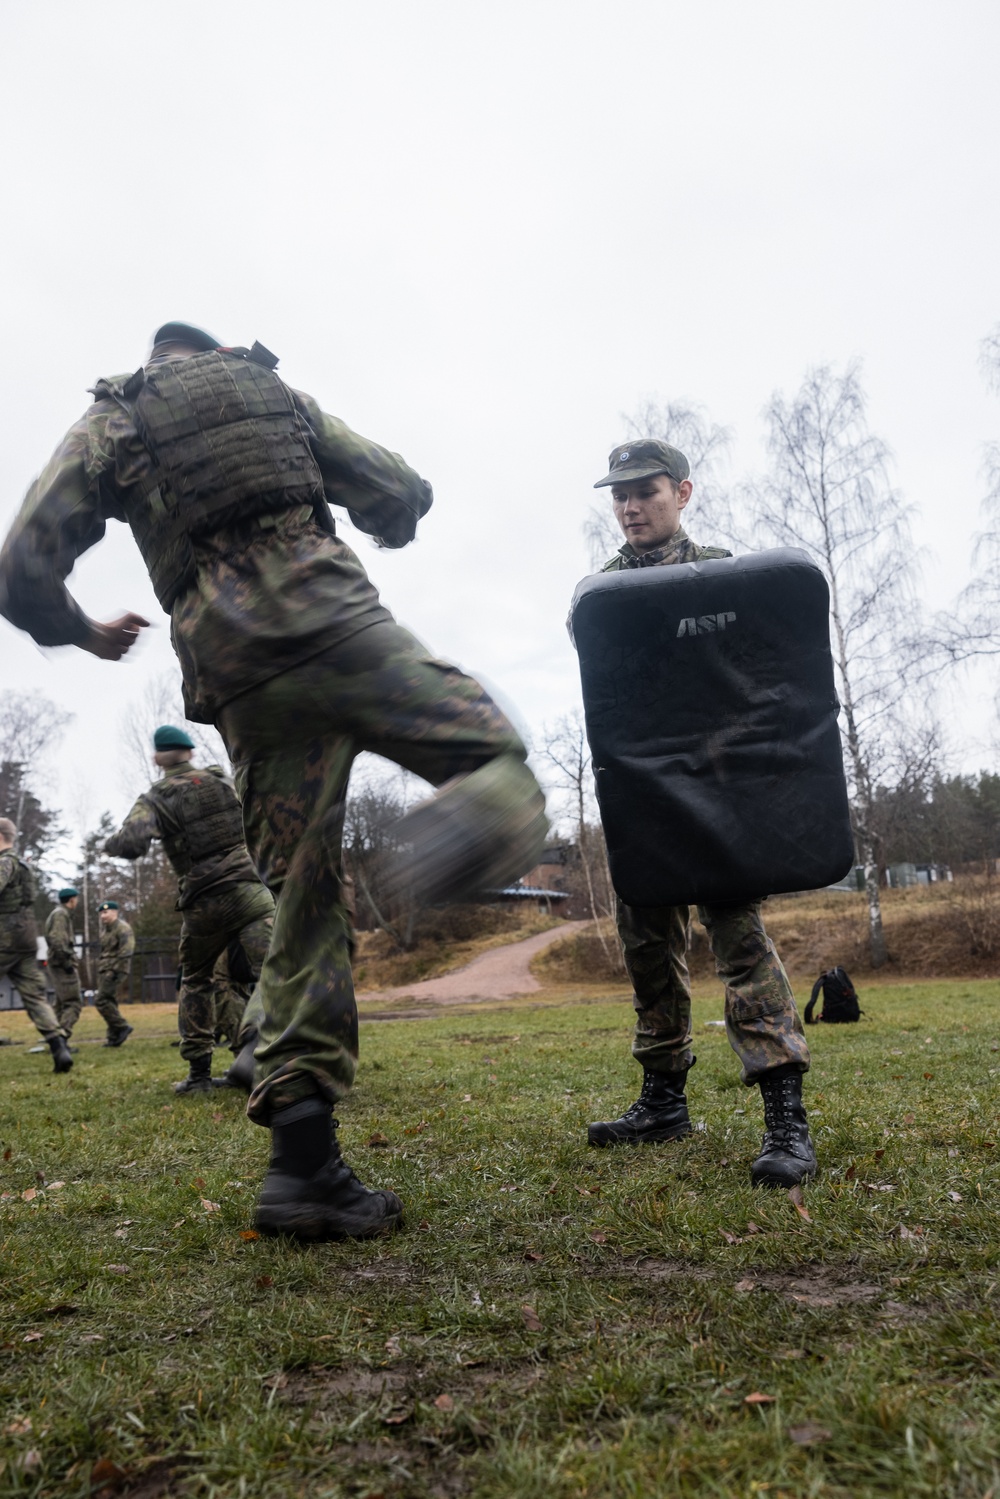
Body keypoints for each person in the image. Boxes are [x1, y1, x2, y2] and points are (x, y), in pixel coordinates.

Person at [0, 322, 547, 1240]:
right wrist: (394, 520)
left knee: (298, 906)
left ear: (156, 360)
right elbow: (399, 487)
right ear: (211, 355)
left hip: (239, 675)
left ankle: (303, 1169)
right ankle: (449, 840)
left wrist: (84, 632)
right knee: (495, 761)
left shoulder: (114, 420)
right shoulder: (275, 397)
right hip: (338, 627)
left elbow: (21, 567)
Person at [584, 439, 816, 1188]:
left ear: (682, 492)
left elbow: (764, 679)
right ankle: (662, 1102)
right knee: (648, 946)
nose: (628, 506)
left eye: (644, 490)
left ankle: (785, 1117)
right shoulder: (604, 590)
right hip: (643, 793)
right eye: (618, 494)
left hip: (720, 790)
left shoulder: (725, 573)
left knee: (740, 939)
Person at [104, 724, 273, 1093]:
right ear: (190, 752)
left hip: (203, 902)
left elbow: (132, 842)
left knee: (197, 980)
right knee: (274, 969)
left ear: (157, 758)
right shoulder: (220, 780)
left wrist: (110, 844)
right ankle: (257, 1040)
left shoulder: (154, 797)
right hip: (250, 891)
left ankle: (199, 1076)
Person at [0, 819, 72, 1072]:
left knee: (35, 995)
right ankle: (58, 1047)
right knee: (35, 997)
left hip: (4, 938)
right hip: (26, 937)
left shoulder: (5, 862)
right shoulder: (24, 865)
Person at [44, 887, 84, 1037]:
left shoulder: (58, 913)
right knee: (73, 1003)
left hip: (57, 962)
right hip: (62, 963)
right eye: (76, 899)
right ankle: (62, 1036)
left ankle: (52, 1035)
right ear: (71, 900)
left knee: (61, 1002)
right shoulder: (61, 915)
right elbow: (58, 940)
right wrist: (66, 963)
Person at [95, 902, 135, 1047]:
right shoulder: (106, 931)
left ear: (115, 912)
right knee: (109, 1001)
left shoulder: (123, 928)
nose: (103, 916)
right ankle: (114, 1036)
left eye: (106, 913)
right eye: (101, 913)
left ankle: (122, 1026)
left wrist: (114, 971)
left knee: (101, 1000)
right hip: (105, 970)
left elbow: (126, 952)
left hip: (115, 971)